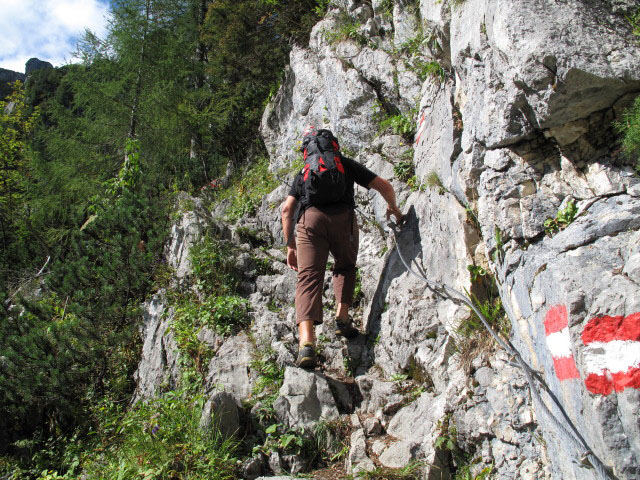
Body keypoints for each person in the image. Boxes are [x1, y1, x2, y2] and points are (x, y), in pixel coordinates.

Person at [281, 128, 404, 369]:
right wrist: (393, 207)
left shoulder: (304, 172)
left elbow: (287, 210)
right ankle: (343, 316)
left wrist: (290, 246)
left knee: (308, 278)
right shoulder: (344, 164)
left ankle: (307, 343)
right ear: (334, 146)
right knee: (345, 266)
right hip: (344, 220)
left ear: (307, 151)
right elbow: (384, 185)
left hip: (310, 223)